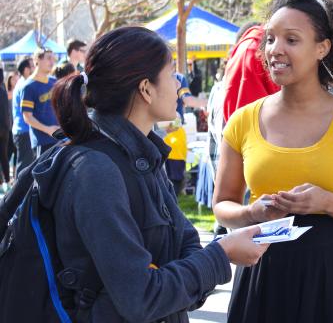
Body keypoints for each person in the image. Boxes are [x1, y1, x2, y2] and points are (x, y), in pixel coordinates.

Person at [47, 26, 268, 322]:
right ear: (146, 89)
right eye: (172, 72)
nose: (179, 85)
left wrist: (204, 261)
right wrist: (221, 254)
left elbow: (185, 241)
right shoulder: (95, 172)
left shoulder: (144, 155)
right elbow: (141, 298)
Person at [213, 0, 333, 323]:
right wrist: (251, 212)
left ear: (322, 48)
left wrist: (327, 203)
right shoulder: (242, 121)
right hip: (263, 277)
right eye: (270, 39)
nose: (275, 50)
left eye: (291, 40)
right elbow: (222, 204)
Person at [223, 0, 328, 122]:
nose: (323, 12)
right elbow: (245, 135)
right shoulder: (252, 50)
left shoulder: (318, 48)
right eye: (317, 3)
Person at [21, 49, 60, 157]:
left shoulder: (54, 82)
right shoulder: (28, 86)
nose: (52, 62)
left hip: (59, 138)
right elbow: (27, 117)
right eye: (48, 58)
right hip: (42, 142)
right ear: (37, 60)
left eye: (53, 59)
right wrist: (48, 130)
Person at [12, 58, 35, 177]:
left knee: (24, 165)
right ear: (26, 70)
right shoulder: (24, 85)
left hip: (22, 130)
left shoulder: (22, 83)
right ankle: (17, 195)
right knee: (23, 168)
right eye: (32, 66)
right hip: (23, 131)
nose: (34, 68)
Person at [0, 68, 11, 193]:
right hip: (5, 129)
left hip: (3, 128)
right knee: (4, 157)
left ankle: (4, 181)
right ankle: (6, 181)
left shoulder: (2, 91)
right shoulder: (3, 90)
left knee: (3, 156)